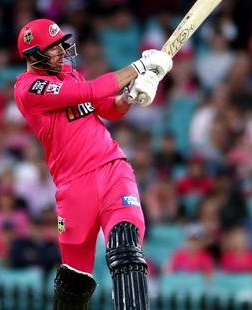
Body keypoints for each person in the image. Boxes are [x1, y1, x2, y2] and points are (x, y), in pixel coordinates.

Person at [13, 18, 172, 309]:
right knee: (74, 281)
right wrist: (138, 67)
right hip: (74, 187)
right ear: (32, 55)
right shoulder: (28, 89)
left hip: (113, 169)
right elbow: (88, 93)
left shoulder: (69, 74)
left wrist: (129, 96)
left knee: (126, 248)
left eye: (61, 44)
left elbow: (107, 109)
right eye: (52, 48)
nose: (61, 51)